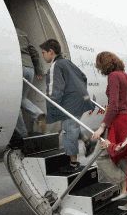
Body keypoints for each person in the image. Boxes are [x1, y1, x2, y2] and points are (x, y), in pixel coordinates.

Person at [40, 39, 94, 169]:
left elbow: (55, 89)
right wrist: (80, 93)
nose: (42, 55)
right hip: (80, 100)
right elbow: (83, 76)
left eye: (43, 52)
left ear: (51, 52)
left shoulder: (56, 65)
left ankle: (73, 162)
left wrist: (52, 108)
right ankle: (87, 141)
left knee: (68, 130)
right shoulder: (67, 63)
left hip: (70, 102)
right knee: (72, 125)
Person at [92, 51, 127, 200]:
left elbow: (113, 105)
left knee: (102, 156)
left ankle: (124, 181)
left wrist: (102, 126)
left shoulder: (113, 77)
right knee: (124, 157)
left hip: (120, 120)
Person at [14, 29, 46, 138]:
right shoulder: (23, 33)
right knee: (22, 98)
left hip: (18, 67)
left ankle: (23, 134)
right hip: (29, 69)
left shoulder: (5, 30)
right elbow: (34, 52)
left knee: (14, 103)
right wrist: (39, 70)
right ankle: (38, 114)